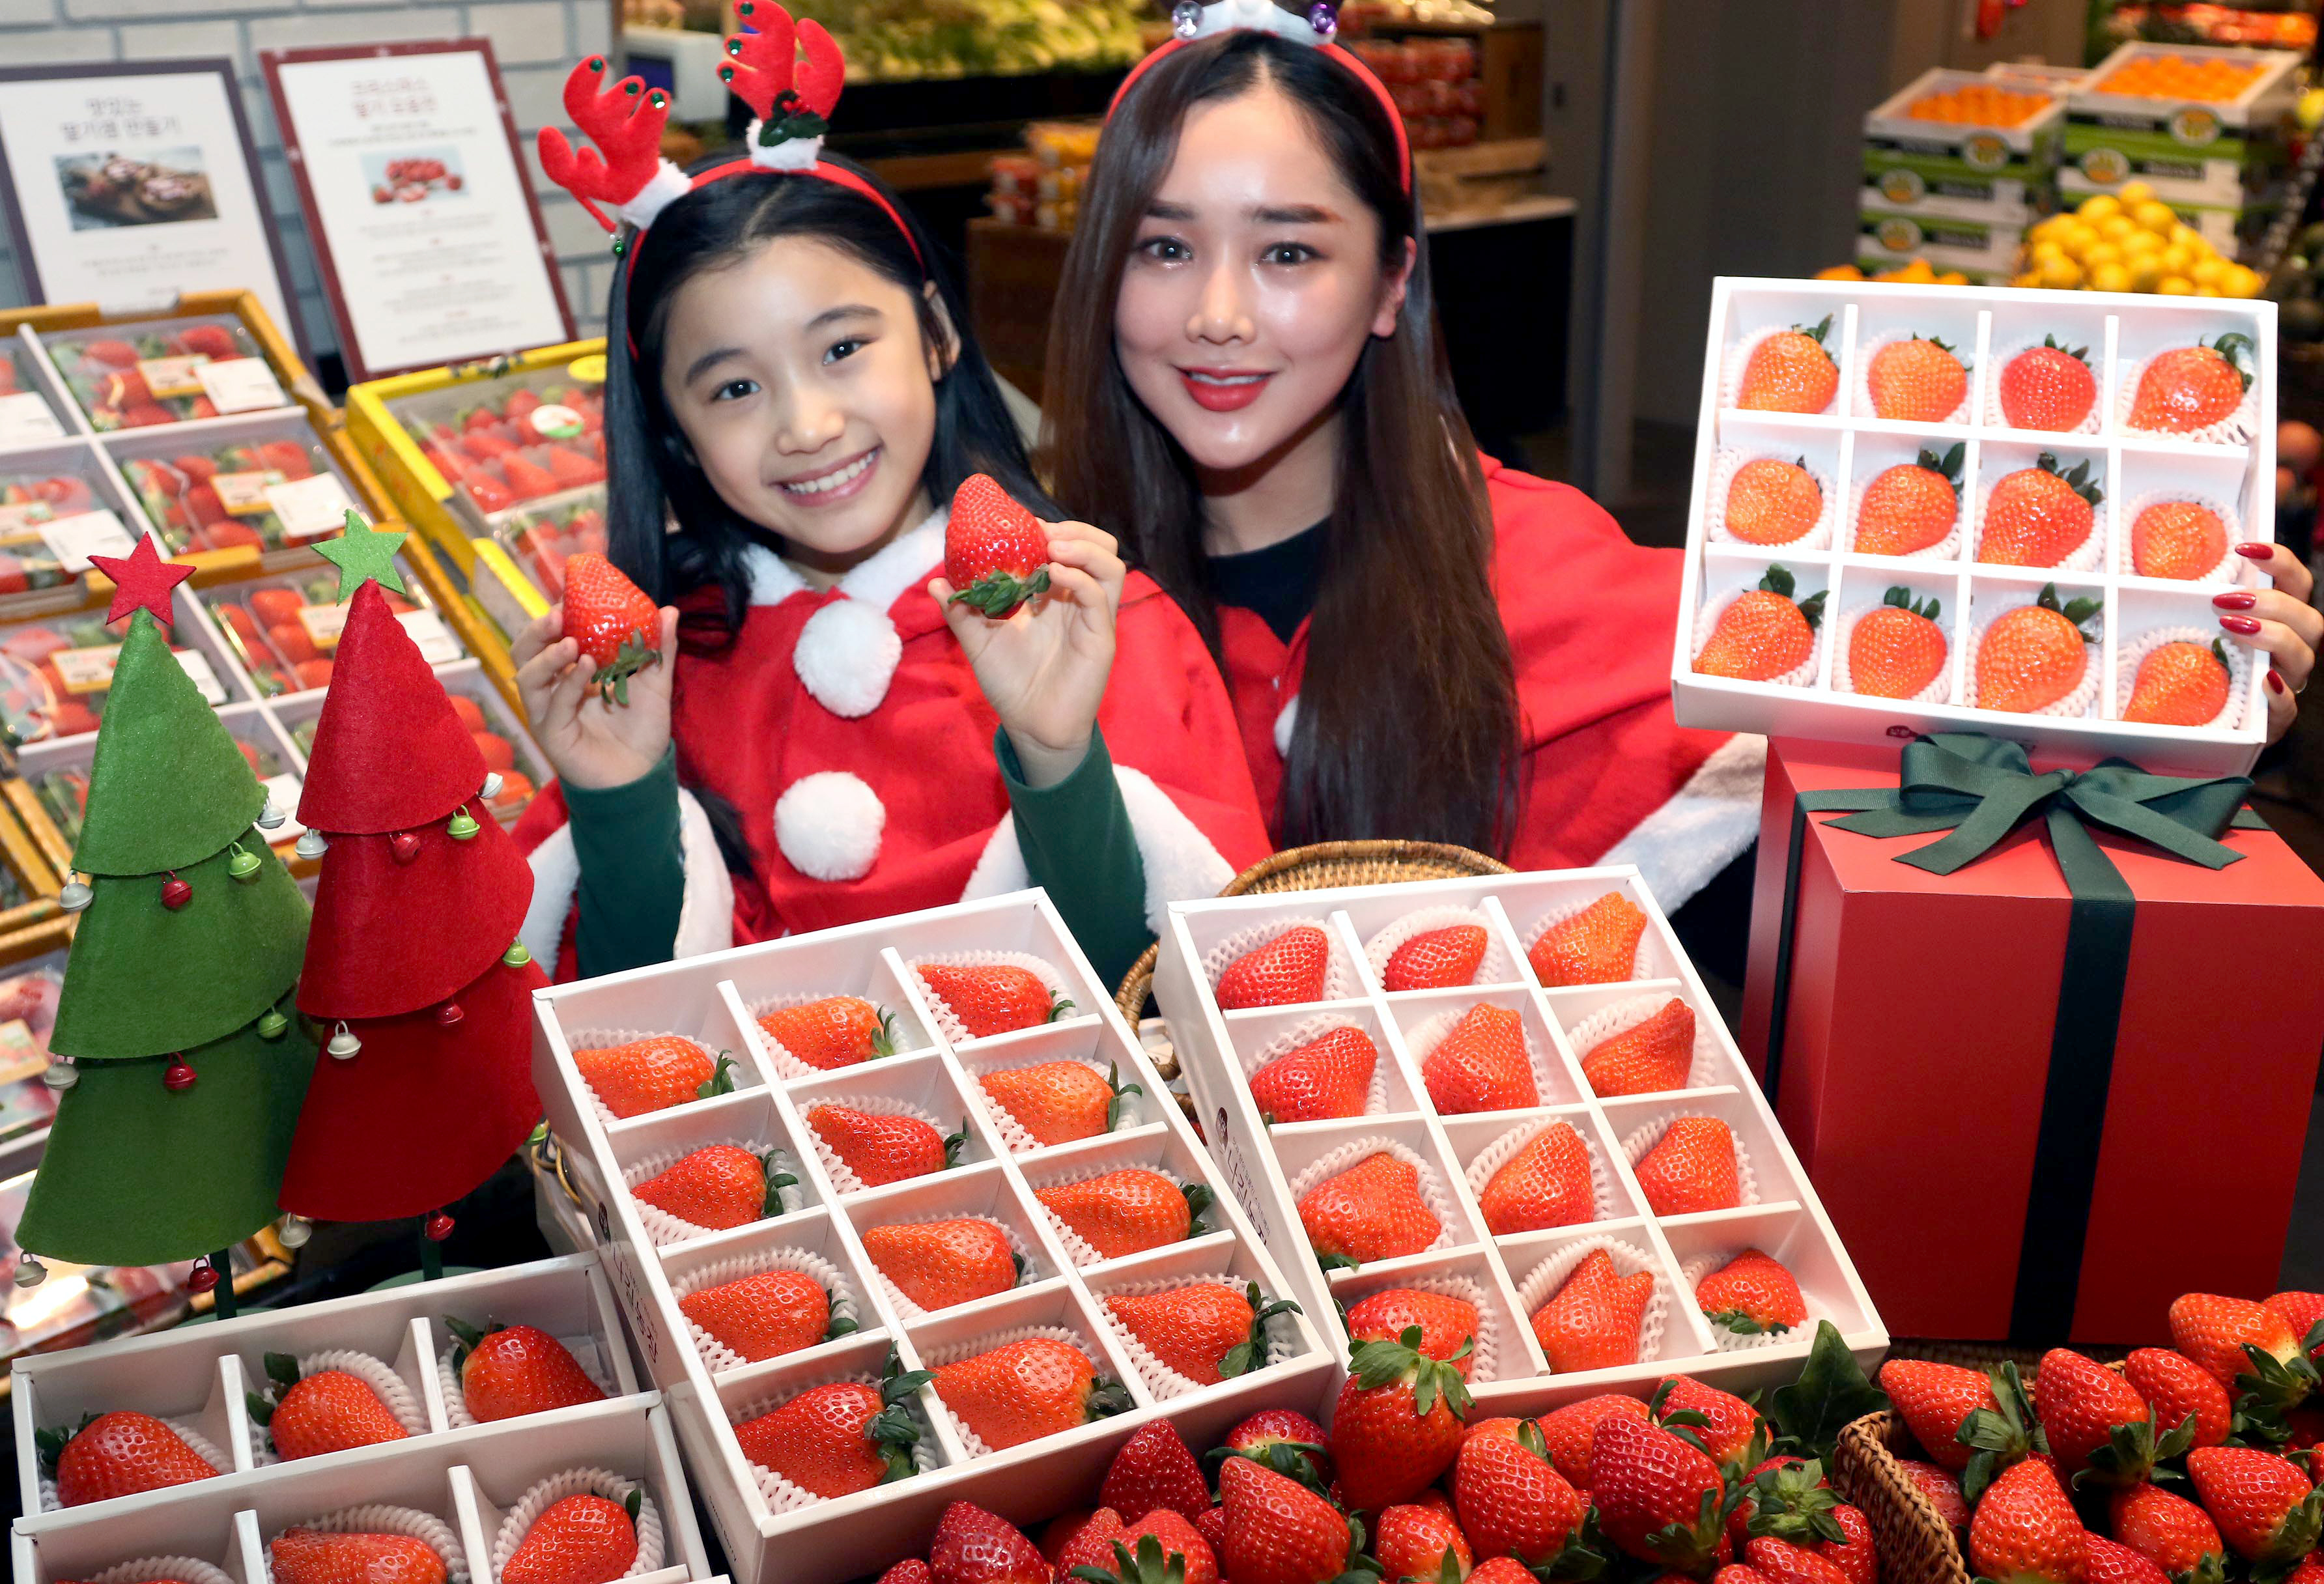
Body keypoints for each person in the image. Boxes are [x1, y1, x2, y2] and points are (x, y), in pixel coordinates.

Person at [1045, 12, 2319, 920]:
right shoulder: (1034, 610)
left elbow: (1911, 759)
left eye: (1287, 252)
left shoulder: (1545, 576)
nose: (1217, 314)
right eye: (1164, 248)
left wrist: (2179, 715)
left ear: (1390, 283)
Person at [511, 18, 1269, 987]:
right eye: (734, 388)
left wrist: (1058, 756)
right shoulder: (664, 671)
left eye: (842, 348)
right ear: (673, 434)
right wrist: (620, 799)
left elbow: (1188, 1000)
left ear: (938, 334)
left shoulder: (1093, 622)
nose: (808, 425)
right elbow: (621, 1035)